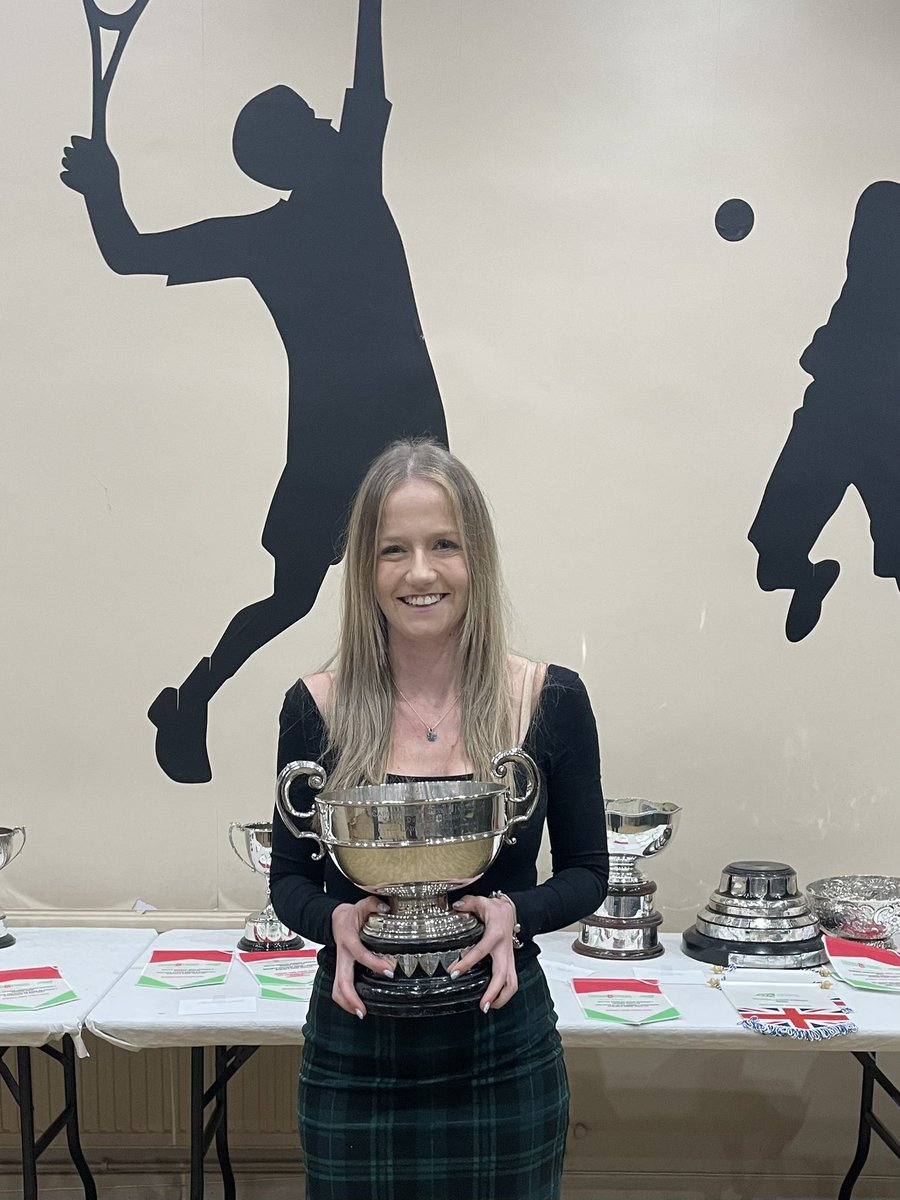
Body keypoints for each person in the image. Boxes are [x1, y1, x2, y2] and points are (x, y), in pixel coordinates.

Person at [60, 0, 446, 783]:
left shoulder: (265, 236)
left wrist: (104, 189)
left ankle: (206, 696)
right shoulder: (350, 183)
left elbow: (127, 251)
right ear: (295, 150)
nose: (330, 121)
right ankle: (375, 740)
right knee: (404, 591)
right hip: (404, 438)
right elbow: (367, 74)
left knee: (311, 598)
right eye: (311, 119)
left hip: (346, 444)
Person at [270, 438, 608, 1200]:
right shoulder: (315, 707)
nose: (420, 573)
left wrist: (512, 912)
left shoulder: (548, 699)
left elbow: (590, 872)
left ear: (475, 558)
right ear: (366, 569)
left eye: (443, 545)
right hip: (356, 1056)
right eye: (394, 549)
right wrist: (338, 923)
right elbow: (290, 882)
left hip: (502, 1048)